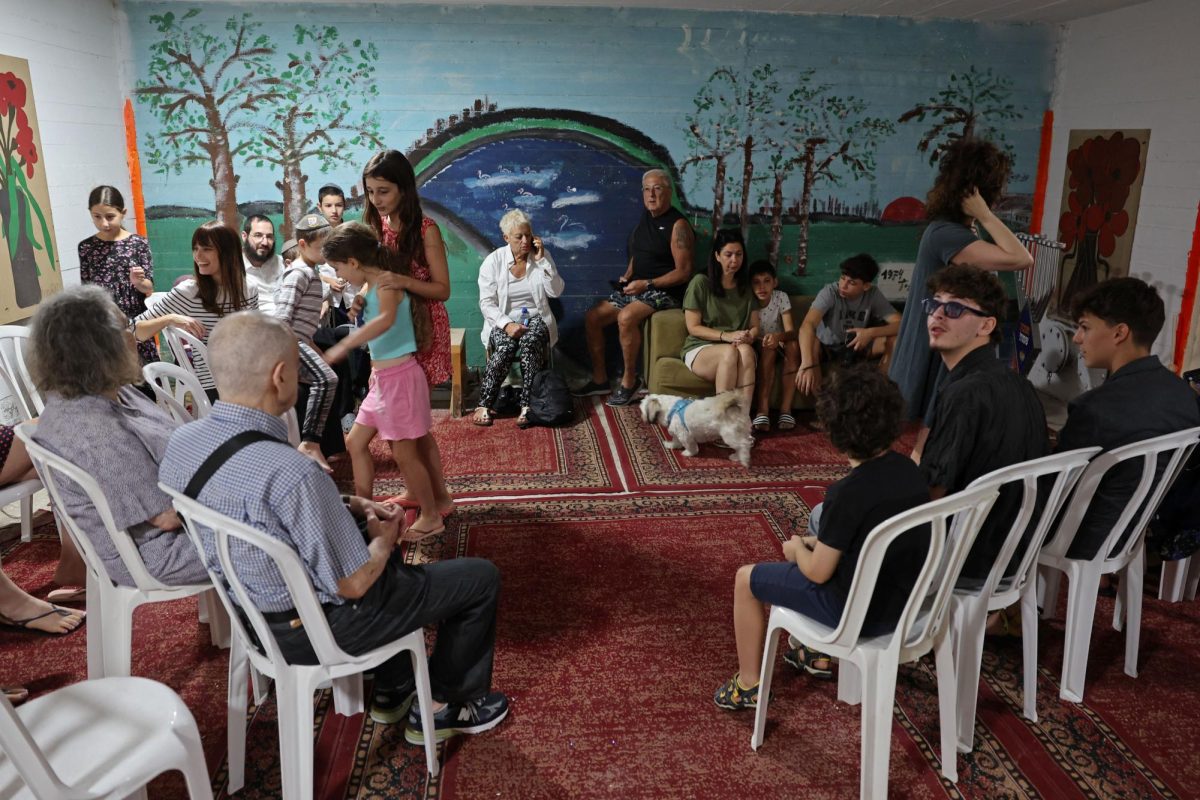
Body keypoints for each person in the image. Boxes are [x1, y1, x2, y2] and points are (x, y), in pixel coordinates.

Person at [159, 311, 508, 739]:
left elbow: (241, 505)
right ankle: (441, 705)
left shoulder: (183, 442)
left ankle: (394, 686)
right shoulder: (293, 472)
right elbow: (353, 584)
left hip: (250, 616)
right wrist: (385, 538)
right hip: (313, 629)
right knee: (478, 579)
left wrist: (349, 503)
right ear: (282, 377)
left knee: (360, 530)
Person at [713, 368, 931, 709]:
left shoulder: (847, 492)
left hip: (856, 615)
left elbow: (817, 572)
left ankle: (749, 684)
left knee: (746, 579)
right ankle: (809, 653)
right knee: (817, 544)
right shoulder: (910, 472)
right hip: (906, 608)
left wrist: (798, 548)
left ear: (832, 430)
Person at [29, 285, 208, 590]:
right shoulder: (93, 430)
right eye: (127, 326)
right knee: (281, 531)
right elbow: (167, 516)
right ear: (98, 348)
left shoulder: (109, 391)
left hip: (177, 529)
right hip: (163, 552)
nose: (134, 332)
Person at [888, 139, 1034, 459]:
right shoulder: (946, 233)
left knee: (937, 427)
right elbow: (1021, 258)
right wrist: (985, 215)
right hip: (944, 340)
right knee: (932, 425)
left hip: (958, 340)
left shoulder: (960, 232)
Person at [917, 265, 1047, 585]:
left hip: (967, 552)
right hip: (1014, 548)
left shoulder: (965, 392)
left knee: (833, 518)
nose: (938, 315)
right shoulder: (1019, 383)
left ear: (986, 325)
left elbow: (933, 491)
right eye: (934, 305)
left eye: (955, 308)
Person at [322, 223, 453, 538]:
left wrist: (346, 344)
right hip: (381, 378)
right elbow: (370, 309)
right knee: (355, 441)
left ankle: (432, 516)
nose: (339, 275)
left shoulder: (387, 284)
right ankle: (365, 507)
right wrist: (357, 306)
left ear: (353, 262)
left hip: (399, 379)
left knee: (405, 453)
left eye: (338, 267)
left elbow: (387, 319)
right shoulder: (369, 286)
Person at [1055, 278, 1200, 559]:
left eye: (1085, 327)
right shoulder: (1185, 395)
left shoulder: (1094, 407)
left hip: (1088, 536)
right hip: (1140, 528)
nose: (1077, 338)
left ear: (1120, 333)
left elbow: (1059, 487)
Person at [577, 168, 695, 406]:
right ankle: (599, 379)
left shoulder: (678, 225)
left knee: (627, 317)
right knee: (593, 317)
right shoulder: (647, 216)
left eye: (657, 189)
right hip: (639, 286)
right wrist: (628, 276)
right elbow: (639, 253)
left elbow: (683, 272)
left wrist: (648, 283)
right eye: (647, 189)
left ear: (669, 192)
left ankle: (630, 382)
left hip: (665, 291)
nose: (651, 195)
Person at [132, 221, 259, 400]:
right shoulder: (189, 291)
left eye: (206, 249)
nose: (198, 256)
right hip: (214, 386)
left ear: (228, 253)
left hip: (248, 377)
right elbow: (134, 330)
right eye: (195, 248)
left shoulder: (249, 288)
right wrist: (169, 318)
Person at [360, 150, 452, 387]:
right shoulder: (375, 225)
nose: (375, 200)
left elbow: (443, 291)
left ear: (403, 189)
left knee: (413, 404)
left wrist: (403, 281)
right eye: (370, 192)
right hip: (389, 322)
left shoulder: (426, 229)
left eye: (383, 191)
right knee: (385, 398)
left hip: (423, 325)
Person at [474, 210, 564, 428]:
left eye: (528, 235)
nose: (525, 241)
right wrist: (507, 324)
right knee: (504, 349)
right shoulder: (493, 262)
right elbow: (486, 303)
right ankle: (484, 403)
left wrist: (543, 261)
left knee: (530, 343)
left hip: (535, 317)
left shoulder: (541, 257)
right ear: (506, 238)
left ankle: (527, 405)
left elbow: (556, 292)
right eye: (518, 237)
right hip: (503, 319)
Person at [273, 213, 340, 473]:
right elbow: (282, 319)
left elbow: (303, 323)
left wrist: (313, 347)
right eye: (320, 246)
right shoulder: (298, 274)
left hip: (301, 340)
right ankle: (310, 443)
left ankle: (314, 443)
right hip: (289, 343)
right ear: (302, 245)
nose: (325, 251)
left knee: (327, 378)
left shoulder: (311, 272)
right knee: (327, 379)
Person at [797, 254, 900, 401]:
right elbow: (807, 325)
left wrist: (870, 333)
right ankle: (825, 410)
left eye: (851, 282)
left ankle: (877, 395)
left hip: (856, 344)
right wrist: (806, 364)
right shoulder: (830, 292)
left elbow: (901, 324)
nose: (843, 285)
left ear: (866, 286)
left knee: (896, 340)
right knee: (812, 341)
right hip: (828, 346)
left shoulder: (873, 294)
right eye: (842, 278)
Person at [79, 185, 159, 365]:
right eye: (97, 217)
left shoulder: (138, 243)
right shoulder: (86, 247)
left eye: (110, 217)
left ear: (123, 213)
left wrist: (138, 282)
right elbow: (87, 291)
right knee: (111, 380)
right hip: (103, 323)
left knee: (144, 378)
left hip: (136, 321)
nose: (104, 224)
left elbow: (149, 288)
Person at [681, 228, 759, 408]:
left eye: (739, 254)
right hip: (702, 347)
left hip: (736, 346)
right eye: (728, 254)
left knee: (747, 351)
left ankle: (742, 421)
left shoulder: (746, 287)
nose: (734, 260)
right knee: (729, 352)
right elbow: (693, 327)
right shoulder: (700, 282)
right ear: (717, 256)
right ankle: (721, 420)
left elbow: (755, 326)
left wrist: (750, 336)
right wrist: (726, 336)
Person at [748, 260, 800, 431]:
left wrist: (778, 337)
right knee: (768, 349)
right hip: (756, 345)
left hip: (778, 343)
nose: (761, 287)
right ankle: (763, 410)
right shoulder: (748, 299)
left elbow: (792, 332)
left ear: (775, 282)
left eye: (767, 281)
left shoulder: (781, 297)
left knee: (793, 345)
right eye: (756, 282)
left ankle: (786, 409)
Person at [242, 214, 284, 314]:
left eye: (269, 237)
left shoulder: (282, 263)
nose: (265, 242)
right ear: (244, 236)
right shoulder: (231, 266)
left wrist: (325, 301)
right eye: (258, 235)